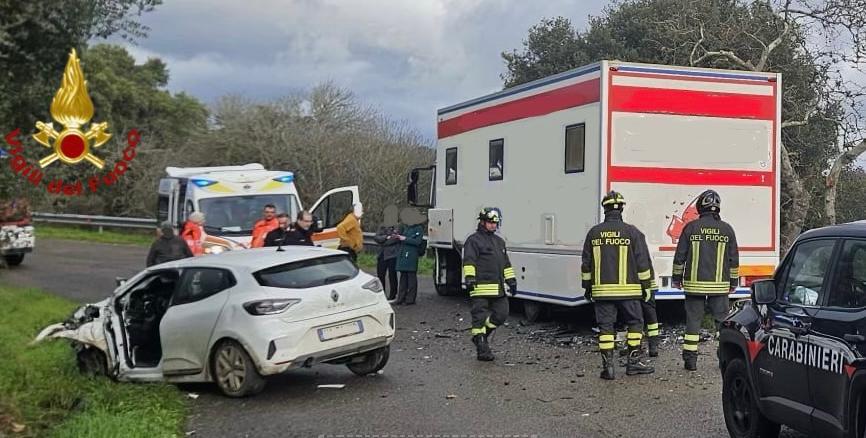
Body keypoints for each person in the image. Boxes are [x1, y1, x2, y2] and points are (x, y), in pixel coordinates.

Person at [581, 191, 654, 380]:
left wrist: (587, 286)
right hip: (630, 291)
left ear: (604, 209)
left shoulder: (594, 233)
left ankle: (608, 368)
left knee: (606, 328)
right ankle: (633, 363)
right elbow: (642, 263)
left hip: (602, 292)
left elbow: (586, 264)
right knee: (635, 324)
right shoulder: (633, 232)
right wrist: (647, 286)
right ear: (621, 208)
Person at [672, 189, 739, 371]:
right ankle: (724, 358)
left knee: (693, 321)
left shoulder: (691, 228)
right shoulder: (727, 229)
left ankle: (690, 360)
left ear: (701, 207)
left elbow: (680, 257)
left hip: (694, 286)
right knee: (721, 323)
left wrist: (676, 279)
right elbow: (733, 260)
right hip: (720, 287)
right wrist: (733, 283)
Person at [462, 207, 516, 362]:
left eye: (495, 223)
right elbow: (469, 261)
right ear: (483, 222)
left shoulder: (499, 241)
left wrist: (511, 280)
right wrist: (470, 278)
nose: (493, 225)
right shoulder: (473, 240)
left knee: (502, 314)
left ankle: (481, 336)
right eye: (490, 222)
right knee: (478, 318)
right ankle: (482, 348)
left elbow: (506, 264)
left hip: (498, 288)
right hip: (479, 288)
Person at [393, 207, 425, 305]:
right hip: (403, 254)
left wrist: (405, 238)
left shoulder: (418, 228)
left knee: (411, 278)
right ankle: (400, 298)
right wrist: (397, 236)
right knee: (403, 278)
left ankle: (410, 299)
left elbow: (417, 241)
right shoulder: (405, 227)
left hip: (411, 255)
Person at [373, 205, 400, 300]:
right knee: (380, 275)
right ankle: (382, 294)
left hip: (392, 254)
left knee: (392, 275)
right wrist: (386, 237)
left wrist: (384, 239)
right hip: (382, 255)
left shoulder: (396, 226)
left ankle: (393, 294)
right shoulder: (382, 225)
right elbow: (376, 237)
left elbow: (394, 239)